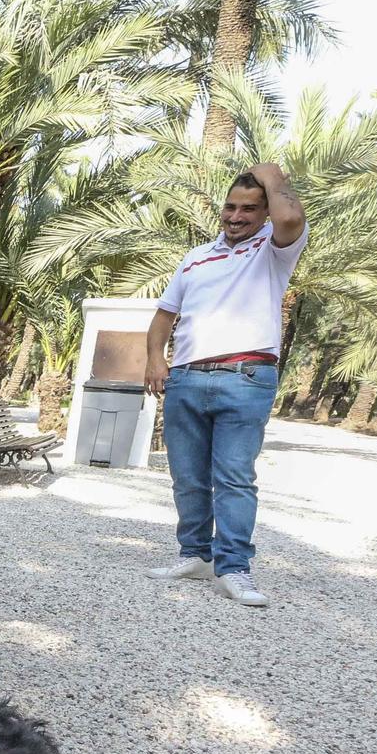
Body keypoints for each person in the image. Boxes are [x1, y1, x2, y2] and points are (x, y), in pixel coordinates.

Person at [144, 164, 307, 607]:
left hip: (246, 377)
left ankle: (234, 567)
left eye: (249, 208)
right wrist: (156, 360)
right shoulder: (195, 257)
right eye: (230, 207)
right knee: (187, 478)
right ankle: (195, 555)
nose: (236, 216)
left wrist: (269, 174)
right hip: (187, 378)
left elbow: (291, 218)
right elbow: (164, 315)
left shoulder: (273, 251)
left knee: (234, 477)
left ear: (265, 212)